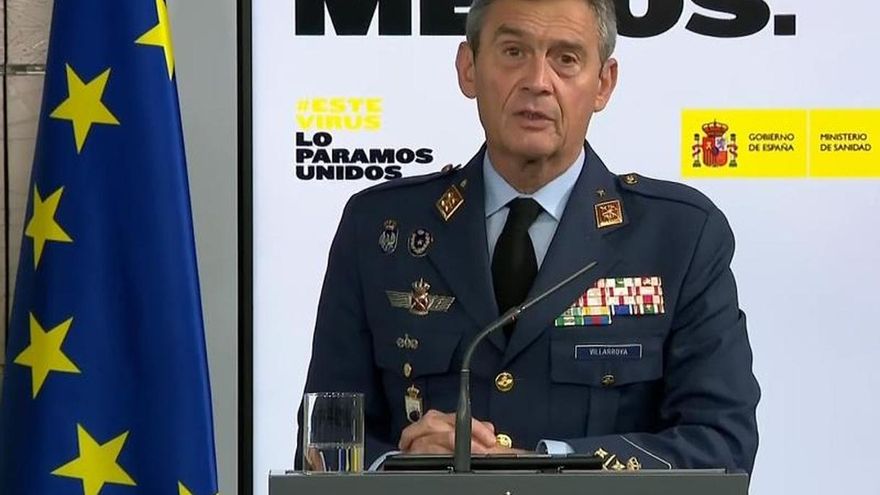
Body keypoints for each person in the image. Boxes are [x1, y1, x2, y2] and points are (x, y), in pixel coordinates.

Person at [297, 0, 760, 473]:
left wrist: (542, 465)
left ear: (603, 84)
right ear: (469, 69)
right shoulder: (379, 229)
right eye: (514, 51)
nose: (538, 81)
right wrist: (403, 465)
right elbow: (325, 439)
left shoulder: (679, 238)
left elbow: (721, 444)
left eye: (566, 59)